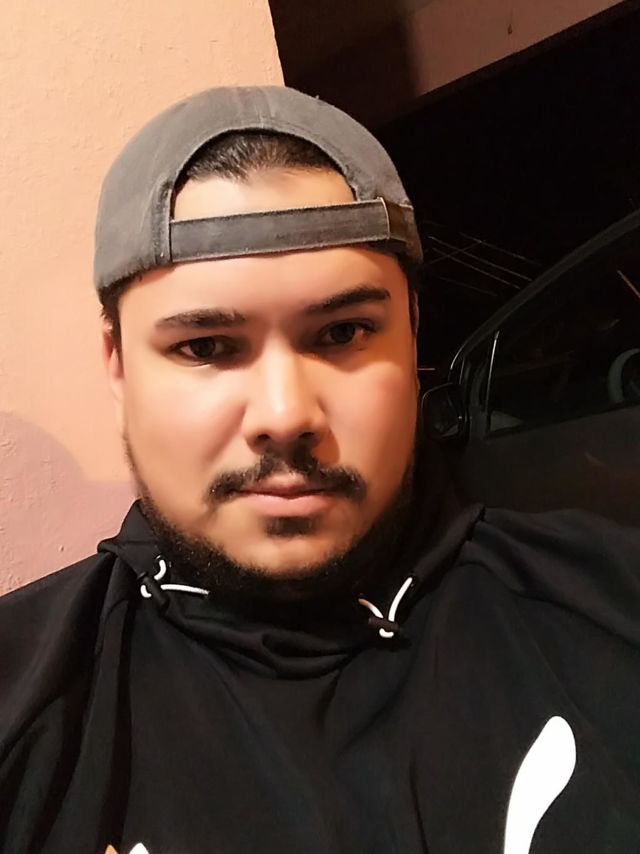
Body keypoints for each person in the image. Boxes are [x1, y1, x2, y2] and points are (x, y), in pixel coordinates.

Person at [1, 86, 639, 854]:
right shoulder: (24, 706)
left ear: (412, 333)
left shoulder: (613, 610)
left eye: (342, 333)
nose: (284, 414)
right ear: (117, 366)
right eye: (206, 346)